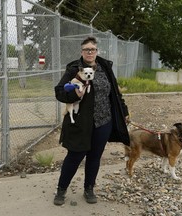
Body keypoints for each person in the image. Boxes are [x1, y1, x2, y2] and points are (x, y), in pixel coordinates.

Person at [53, 36, 130, 205]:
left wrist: (124, 111)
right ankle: (61, 189)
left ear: (97, 51)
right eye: (86, 49)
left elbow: (115, 93)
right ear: (82, 52)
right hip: (81, 122)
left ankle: (89, 189)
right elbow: (59, 92)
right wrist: (75, 94)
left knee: (95, 157)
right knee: (75, 155)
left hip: (104, 121)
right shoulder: (74, 68)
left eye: (92, 49)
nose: (90, 52)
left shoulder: (105, 68)